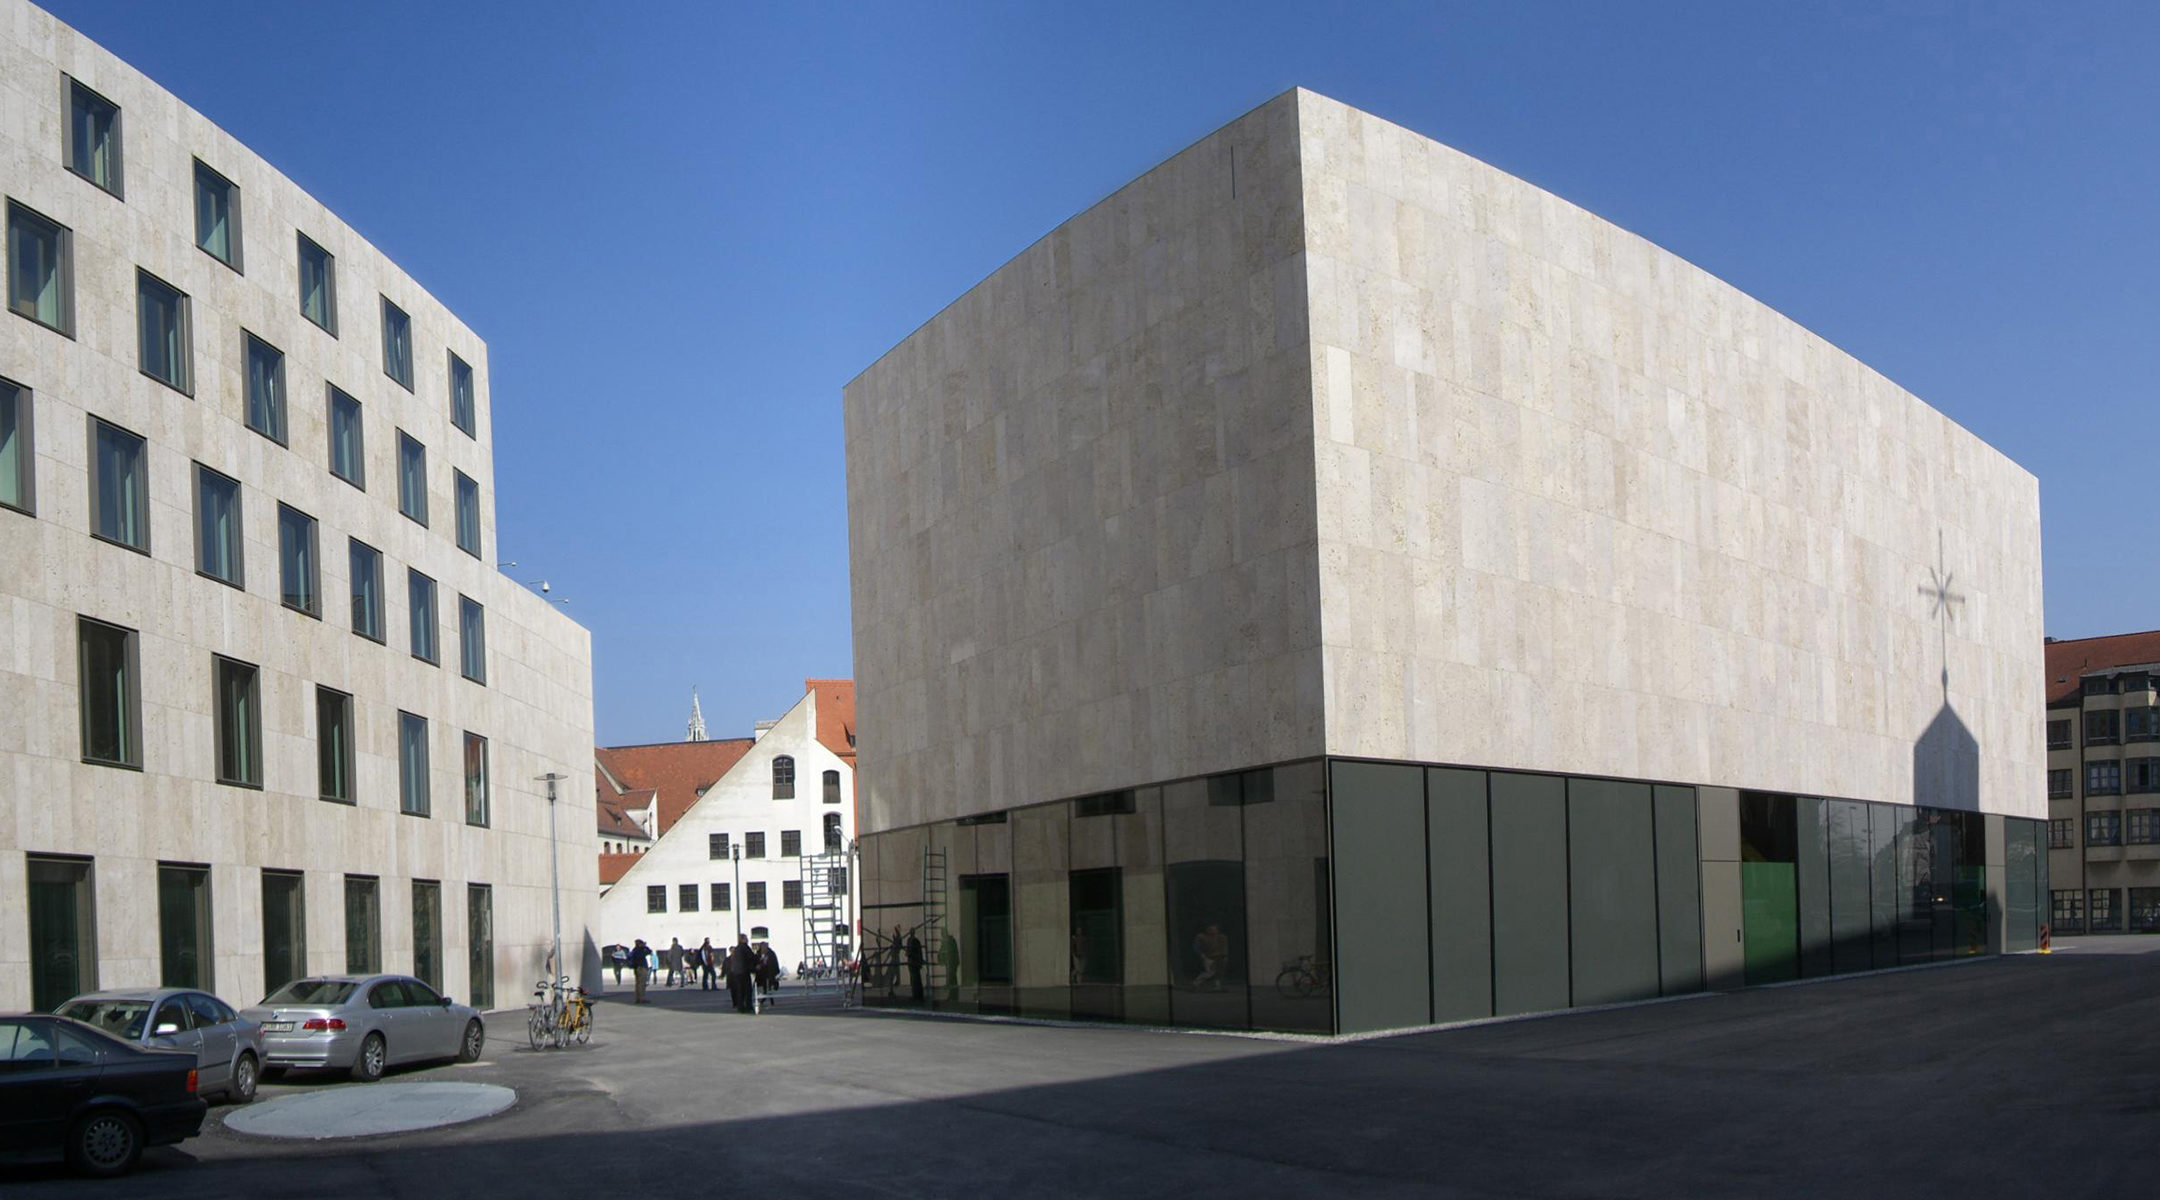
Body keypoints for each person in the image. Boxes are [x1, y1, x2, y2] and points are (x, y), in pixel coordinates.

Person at [724, 934, 756, 1013]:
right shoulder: (744, 947)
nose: (747, 940)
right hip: (744, 971)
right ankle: (748, 1006)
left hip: (737, 972)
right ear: (742, 939)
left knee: (740, 990)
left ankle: (740, 1007)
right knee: (747, 990)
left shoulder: (737, 948)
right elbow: (751, 957)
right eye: (746, 938)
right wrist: (756, 965)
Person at [1193, 923, 1229, 991]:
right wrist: (1201, 954)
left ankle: (1217, 986)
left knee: (1218, 972)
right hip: (1208, 957)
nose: (1212, 931)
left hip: (1219, 957)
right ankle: (1196, 983)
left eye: (1214, 930)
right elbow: (1196, 947)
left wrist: (1225, 956)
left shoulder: (1222, 937)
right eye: (1210, 930)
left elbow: (1225, 947)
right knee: (1210, 972)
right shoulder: (1202, 937)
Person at [631, 937, 653, 1004]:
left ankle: (638, 998)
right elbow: (649, 951)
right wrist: (645, 946)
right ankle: (641, 998)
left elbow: (649, 951)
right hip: (641, 968)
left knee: (638, 984)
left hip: (637, 968)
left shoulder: (634, 950)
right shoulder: (640, 950)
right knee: (642, 984)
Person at [906, 930, 925, 1002]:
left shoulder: (914, 941)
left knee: (915, 979)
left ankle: (917, 995)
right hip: (913, 962)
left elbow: (915, 952)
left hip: (914, 962)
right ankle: (916, 995)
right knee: (914, 980)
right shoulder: (911, 941)